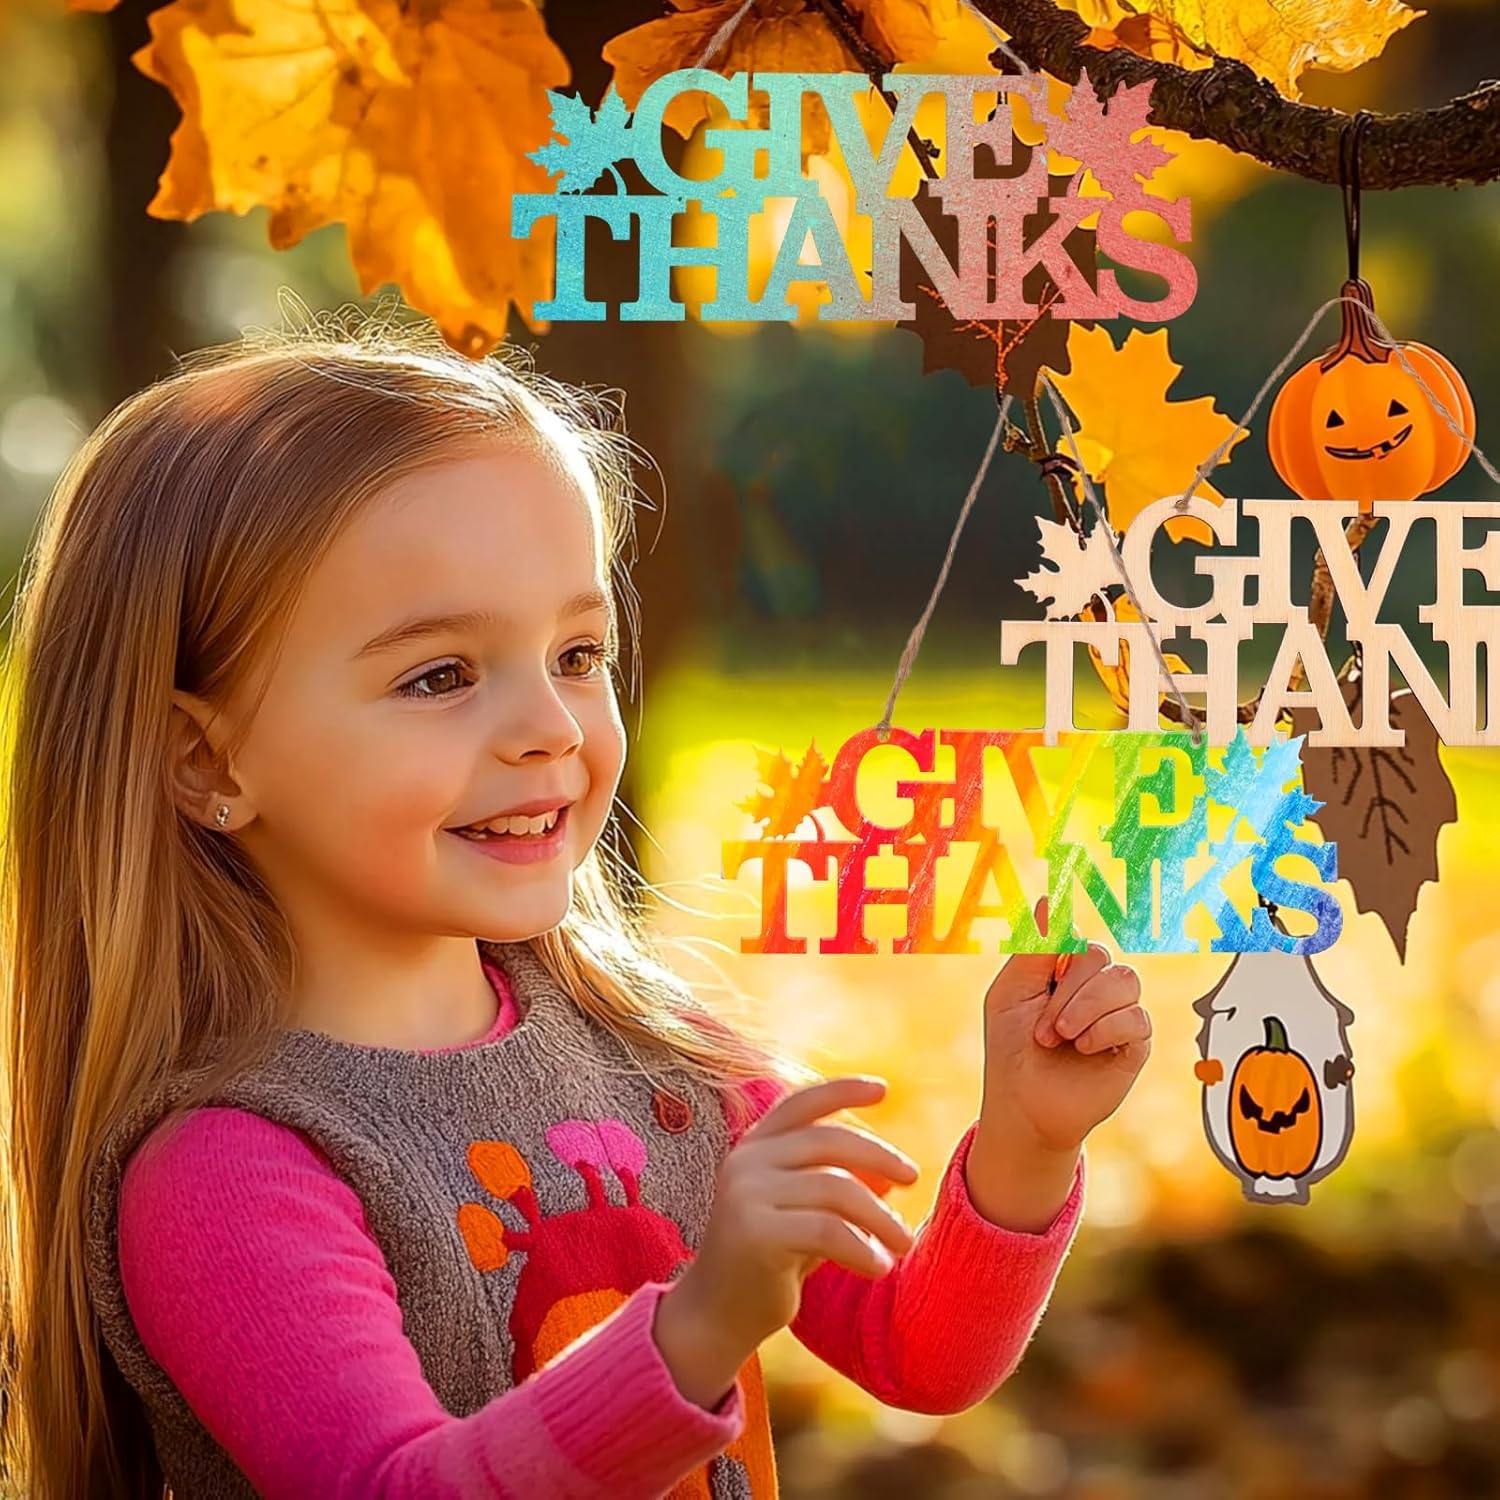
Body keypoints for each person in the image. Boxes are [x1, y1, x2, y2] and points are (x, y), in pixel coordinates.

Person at [0, 311, 1152, 1499]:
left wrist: (1026, 1142)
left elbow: (919, 1351)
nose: (552, 727)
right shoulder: (234, 1174)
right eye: (439, 674)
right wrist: (696, 1328)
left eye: (578, 656)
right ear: (207, 762)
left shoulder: (659, 1071)